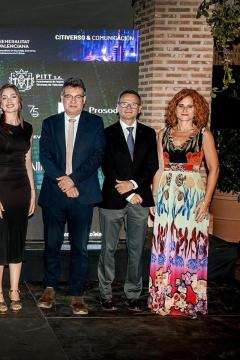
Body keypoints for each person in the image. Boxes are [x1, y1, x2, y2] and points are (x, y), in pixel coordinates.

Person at [37, 77, 105, 315]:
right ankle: (49, 288)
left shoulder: (95, 123)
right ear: (62, 98)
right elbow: (44, 156)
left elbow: (96, 157)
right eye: (68, 96)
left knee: (80, 247)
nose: (73, 100)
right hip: (55, 194)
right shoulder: (50, 123)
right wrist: (64, 182)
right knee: (52, 245)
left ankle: (77, 294)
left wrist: (73, 180)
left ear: (84, 100)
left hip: (82, 194)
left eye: (78, 97)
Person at [148, 89, 219, 317]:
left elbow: (214, 168)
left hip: (192, 197)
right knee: (164, 245)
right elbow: (160, 169)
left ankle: (187, 301)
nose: (185, 110)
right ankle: (163, 299)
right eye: (181, 106)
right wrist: (154, 198)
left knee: (189, 246)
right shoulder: (162, 134)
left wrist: (206, 202)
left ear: (196, 109)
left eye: (190, 106)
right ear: (174, 109)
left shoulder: (204, 135)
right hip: (166, 197)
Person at [97, 90, 158, 312]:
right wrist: (127, 193)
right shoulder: (106, 134)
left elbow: (152, 166)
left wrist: (133, 185)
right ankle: (106, 293)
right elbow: (106, 166)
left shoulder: (150, 134)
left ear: (139, 109)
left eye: (133, 104)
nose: (129, 108)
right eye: (124, 104)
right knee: (108, 249)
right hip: (112, 200)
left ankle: (133, 293)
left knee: (136, 249)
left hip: (140, 199)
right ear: (117, 107)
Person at [0, 84, 36, 313]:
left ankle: (14, 289)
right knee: (0, 240)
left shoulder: (28, 129)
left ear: (20, 101)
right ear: (0, 103)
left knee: (17, 240)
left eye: (13, 96)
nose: (9, 101)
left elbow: (28, 162)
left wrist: (33, 192)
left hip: (21, 190)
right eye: (4, 97)